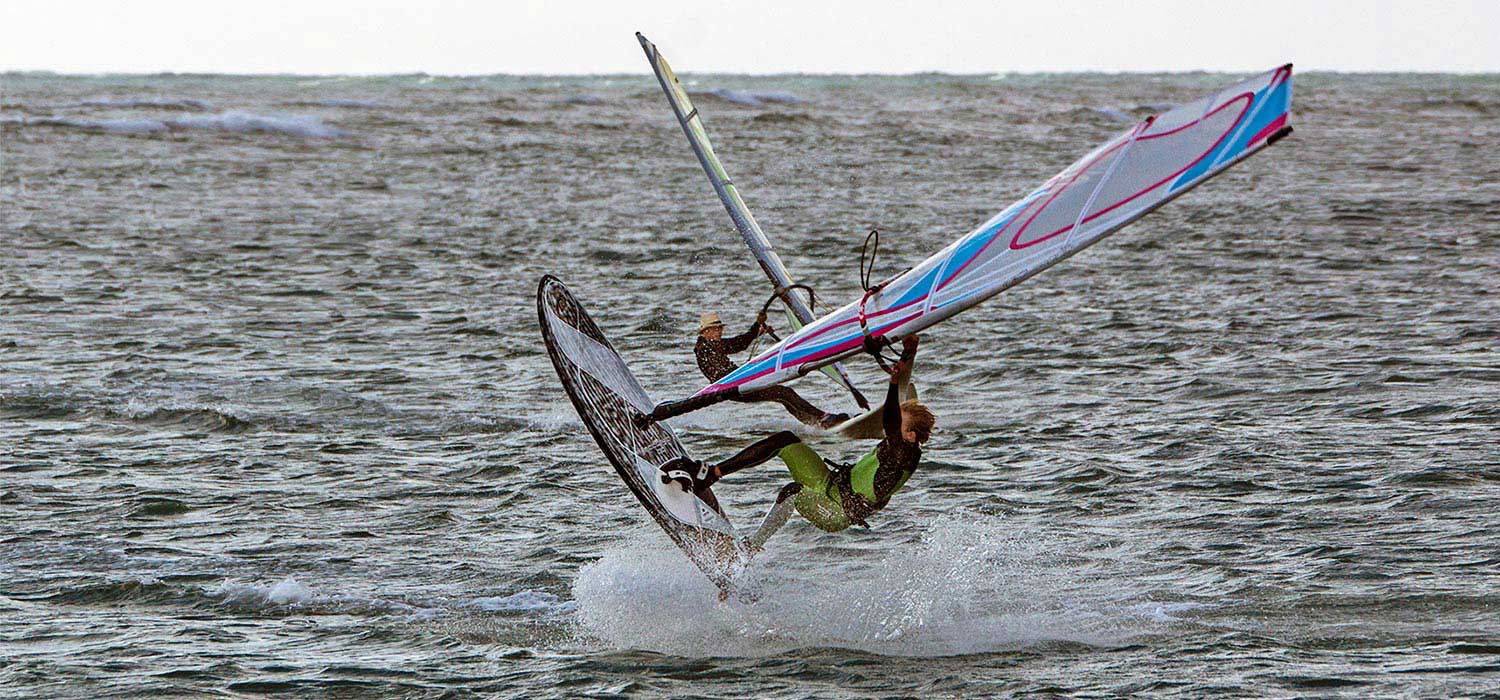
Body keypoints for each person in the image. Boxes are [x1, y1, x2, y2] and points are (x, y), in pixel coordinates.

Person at [661, 335, 934, 541]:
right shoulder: (901, 440)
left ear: (910, 435)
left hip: (839, 510)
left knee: (792, 492)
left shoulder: (905, 455)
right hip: (830, 482)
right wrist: (908, 354)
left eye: (901, 422)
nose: (893, 423)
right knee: (785, 439)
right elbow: (895, 408)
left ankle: (752, 546)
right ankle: (711, 473)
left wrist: (893, 383)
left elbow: (890, 417)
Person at [694, 310, 848, 429]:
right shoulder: (705, 347)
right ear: (706, 332)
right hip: (733, 388)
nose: (720, 332)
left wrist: (756, 331)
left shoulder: (709, 345)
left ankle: (815, 422)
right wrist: (756, 326)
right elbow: (738, 344)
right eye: (716, 329)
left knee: (782, 395)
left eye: (720, 328)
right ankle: (823, 418)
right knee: (783, 392)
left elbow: (736, 344)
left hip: (738, 383)